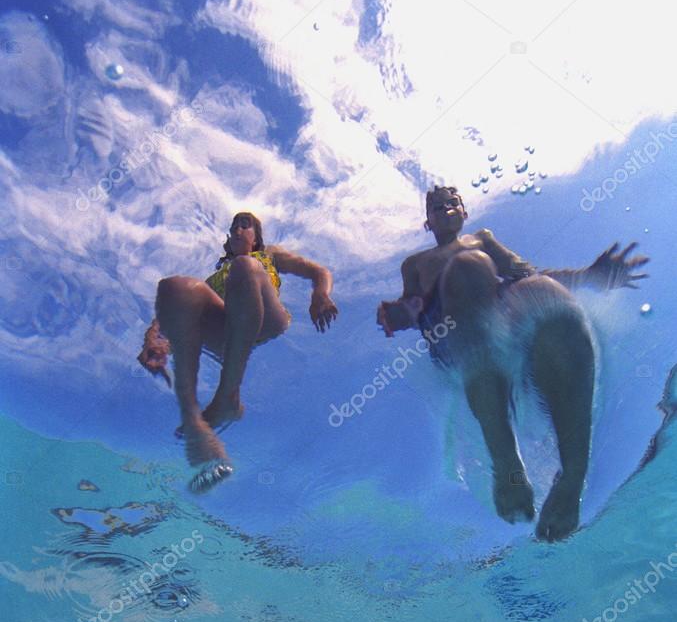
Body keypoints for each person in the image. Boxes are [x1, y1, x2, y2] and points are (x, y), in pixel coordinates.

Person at [377, 185, 649, 541]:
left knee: (544, 292)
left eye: (451, 203)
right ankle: (506, 460)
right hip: (458, 340)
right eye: (435, 206)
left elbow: (529, 274)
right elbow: (412, 308)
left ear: (464, 212)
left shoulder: (483, 238)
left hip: (509, 324)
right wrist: (397, 314)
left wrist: (589, 276)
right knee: (466, 267)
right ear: (426, 222)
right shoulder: (414, 264)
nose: (444, 208)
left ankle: (572, 475)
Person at [138, 211, 338, 492]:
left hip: (267, 318)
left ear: (257, 237)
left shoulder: (268, 256)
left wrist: (320, 294)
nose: (238, 230)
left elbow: (319, 272)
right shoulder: (215, 278)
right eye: (233, 227)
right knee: (175, 287)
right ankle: (204, 439)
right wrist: (154, 340)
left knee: (244, 268)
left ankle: (227, 397)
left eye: (245, 225)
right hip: (228, 331)